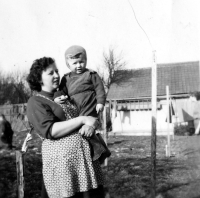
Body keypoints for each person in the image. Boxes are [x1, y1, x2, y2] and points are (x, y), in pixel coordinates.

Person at [26, 57, 105, 198]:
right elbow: (50, 131)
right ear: (39, 79)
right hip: (63, 168)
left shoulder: (66, 96)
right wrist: (82, 119)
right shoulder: (36, 101)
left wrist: (91, 124)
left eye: (57, 71)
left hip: (84, 165)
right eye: (51, 73)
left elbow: (90, 116)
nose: (57, 75)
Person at [54, 45, 108, 162]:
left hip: (89, 105)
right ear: (68, 65)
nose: (79, 66)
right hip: (75, 107)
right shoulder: (66, 78)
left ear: (86, 61)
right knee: (78, 131)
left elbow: (100, 89)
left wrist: (100, 103)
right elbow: (61, 91)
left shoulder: (91, 74)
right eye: (75, 63)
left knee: (87, 128)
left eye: (81, 62)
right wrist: (58, 98)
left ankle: (99, 151)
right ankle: (95, 151)